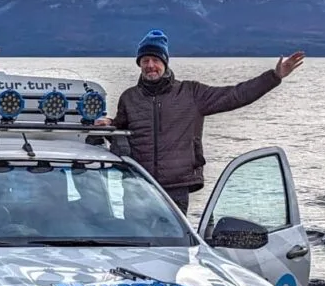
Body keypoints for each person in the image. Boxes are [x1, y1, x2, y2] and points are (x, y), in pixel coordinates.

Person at [96, 29, 305, 213]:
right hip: (137, 185)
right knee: (134, 247)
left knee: (174, 249)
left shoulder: (191, 93)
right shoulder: (129, 97)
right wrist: (108, 124)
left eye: (155, 60)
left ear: (165, 62)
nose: (150, 65)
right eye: (145, 61)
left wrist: (274, 76)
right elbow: (121, 129)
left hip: (175, 189)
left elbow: (236, 95)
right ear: (139, 64)